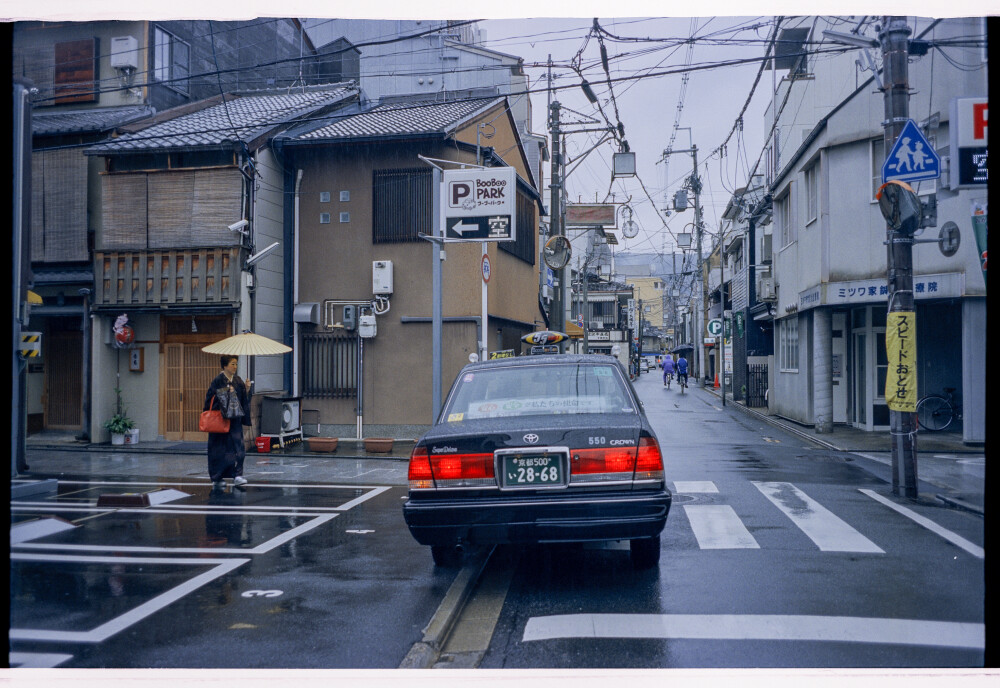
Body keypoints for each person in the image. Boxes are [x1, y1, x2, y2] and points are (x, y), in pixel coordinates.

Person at [204, 355, 252, 490]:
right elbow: (210, 400)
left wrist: (247, 389)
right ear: (224, 366)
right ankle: (217, 477)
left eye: (236, 364)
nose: (235, 367)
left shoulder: (238, 380)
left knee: (238, 448)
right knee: (219, 450)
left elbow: (243, 400)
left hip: (235, 420)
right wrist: (226, 393)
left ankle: (237, 475)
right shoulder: (218, 381)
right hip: (221, 421)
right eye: (232, 364)